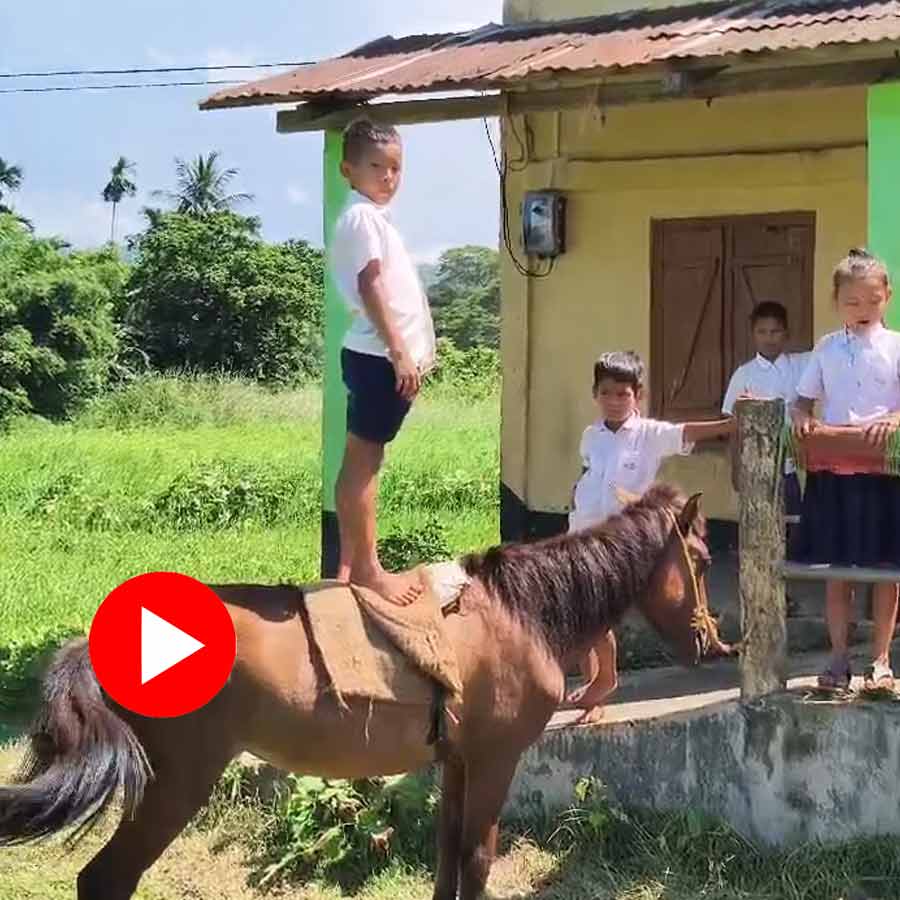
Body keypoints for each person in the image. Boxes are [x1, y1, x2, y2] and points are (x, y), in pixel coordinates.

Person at [564, 351, 735, 722]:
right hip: (581, 531)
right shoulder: (591, 436)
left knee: (595, 612)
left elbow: (686, 432)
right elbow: (588, 470)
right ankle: (592, 686)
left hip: (619, 541)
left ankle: (604, 680)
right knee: (580, 616)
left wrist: (732, 424)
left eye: (622, 394)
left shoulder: (649, 434)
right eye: (606, 393)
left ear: (637, 395)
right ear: (595, 394)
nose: (613, 401)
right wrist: (577, 493)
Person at [329, 118, 436, 605]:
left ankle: (350, 567)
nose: (388, 177)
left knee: (366, 461)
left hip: (381, 358)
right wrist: (398, 351)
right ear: (348, 170)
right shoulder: (362, 218)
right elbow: (370, 284)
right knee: (362, 464)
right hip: (379, 358)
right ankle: (368, 571)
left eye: (396, 168)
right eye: (377, 167)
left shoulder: (372, 218)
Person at [792, 248, 900, 693]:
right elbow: (802, 401)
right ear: (836, 302)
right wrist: (802, 418)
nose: (863, 310)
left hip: (885, 474)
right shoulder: (826, 348)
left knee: (887, 568)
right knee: (837, 569)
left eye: (872, 300)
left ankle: (881, 661)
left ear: (887, 296)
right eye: (852, 302)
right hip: (833, 473)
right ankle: (838, 658)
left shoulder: (897, 346)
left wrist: (893, 419)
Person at [722, 301, 810, 517]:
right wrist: (736, 467)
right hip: (756, 468)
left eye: (775, 331)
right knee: (758, 525)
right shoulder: (744, 374)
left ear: (786, 333)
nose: (769, 338)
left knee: (792, 523)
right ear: (753, 334)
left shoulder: (802, 365)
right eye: (762, 332)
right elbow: (732, 426)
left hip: (791, 467)